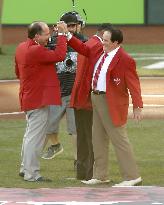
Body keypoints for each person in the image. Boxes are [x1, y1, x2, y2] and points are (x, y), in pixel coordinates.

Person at [67, 26, 143, 186]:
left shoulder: (125, 59)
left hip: (111, 102)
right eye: (103, 40)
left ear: (116, 42)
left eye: (106, 41)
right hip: (96, 99)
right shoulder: (101, 52)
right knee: (98, 139)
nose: (103, 43)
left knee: (119, 139)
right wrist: (66, 35)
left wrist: (137, 106)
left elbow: (134, 85)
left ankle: (132, 176)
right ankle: (100, 175)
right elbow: (82, 48)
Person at [15, 21, 67, 182]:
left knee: (29, 135)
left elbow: (17, 71)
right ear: (36, 36)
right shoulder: (36, 50)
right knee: (35, 138)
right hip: (37, 99)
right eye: (46, 34)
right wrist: (63, 35)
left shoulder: (21, 47)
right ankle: (32, 173)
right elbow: (60, 55)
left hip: (28, 96)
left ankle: (25, 168)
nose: (49, 36)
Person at [42, 11, 87, 169]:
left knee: (74, 130)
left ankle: (78, 161)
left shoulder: (84, 43)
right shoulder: (53, 42)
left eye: (72, 26)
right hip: (56, 93)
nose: (69, 29)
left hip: (75, 94)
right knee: (47, 126)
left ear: (79, 26)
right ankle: (55, 145)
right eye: (66, 26)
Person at [70, 24, 113, 180]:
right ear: (103, 34)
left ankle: (81, 173)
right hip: (88, 98)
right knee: (93, 138)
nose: (111, 41)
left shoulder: (89, 43)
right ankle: (91, 174)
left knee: (82, 136)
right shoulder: (98, 46)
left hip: (78, 98)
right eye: (109, 37)